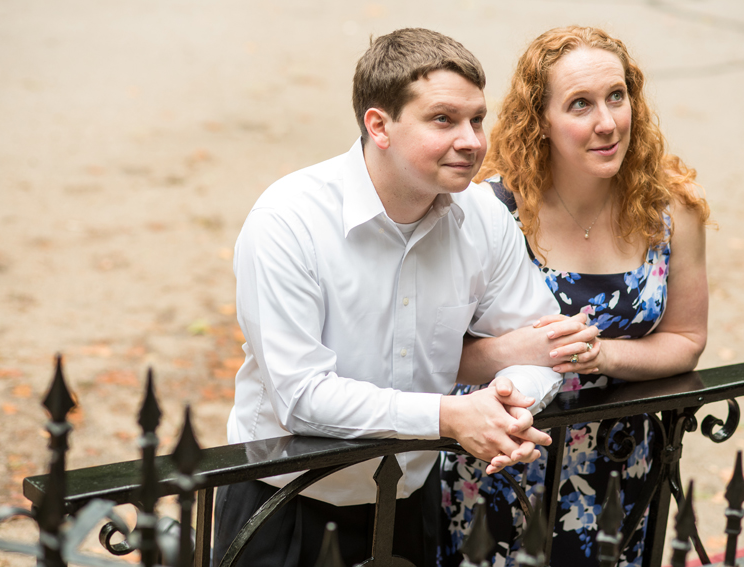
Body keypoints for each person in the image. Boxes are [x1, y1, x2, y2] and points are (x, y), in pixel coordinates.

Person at [213, 28, 599, 567]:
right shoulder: (287, 222)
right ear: (379, 126)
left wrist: (505, 403)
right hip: (283, 507)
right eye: (443, 119)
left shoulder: (484, 216)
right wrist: (451, 416)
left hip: (410, 503)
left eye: (477, 119)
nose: (471, 140)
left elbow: (545, 342)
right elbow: (301, 395)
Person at [441, 26, 711, 566]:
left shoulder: (670, 209)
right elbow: (439, 353)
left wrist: (603, 354)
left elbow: (687, 339)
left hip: (620, 474)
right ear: (540, 120)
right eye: (580, 105)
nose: (606, 123)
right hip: (504, 469)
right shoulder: (488, 212)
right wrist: (527, 351)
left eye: (617, 96)